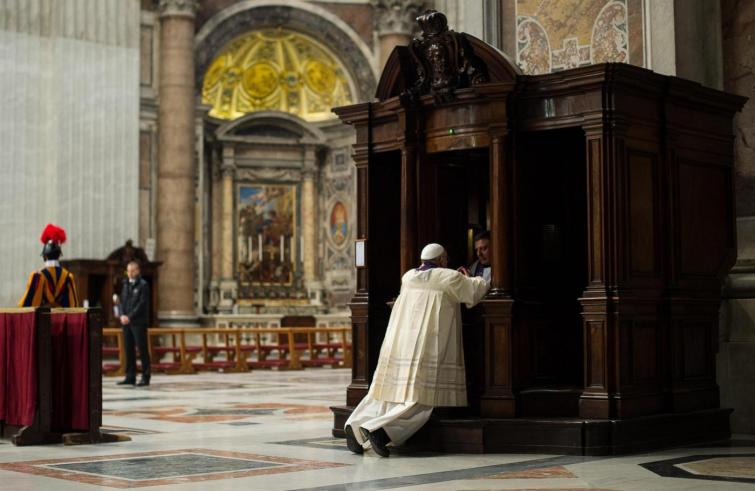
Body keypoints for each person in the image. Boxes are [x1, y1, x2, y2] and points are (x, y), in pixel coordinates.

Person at [344, 243, 489, 457]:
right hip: (427, 346)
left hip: (401, 344)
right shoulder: (448, 277)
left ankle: (356, 425)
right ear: (441, 260)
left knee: (387, 393)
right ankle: (381, 431)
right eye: (445, 259)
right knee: (422, 400)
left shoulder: (408, 276)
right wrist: (470, 276)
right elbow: (475, 291)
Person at [18, 223, 80, 308]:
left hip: (44, 319)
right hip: (61, 319)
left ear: (45, 256)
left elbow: (28, 305)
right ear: (59, 255)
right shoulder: (68, 277)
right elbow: (73, 306)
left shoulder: (38, 276)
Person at [117, 260, 151, 387]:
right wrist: (122, 315)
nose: (129, 273)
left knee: (142, 349)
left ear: (137, 271)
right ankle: (130, 376)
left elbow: (142, 304)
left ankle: (145, 376)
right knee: (128, 349)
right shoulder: (125, 284)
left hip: (138, 322)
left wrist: (129, 317)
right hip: (126, 322)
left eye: (132, 271)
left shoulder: (143, 285)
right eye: (128, 271)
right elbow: (121, 302)